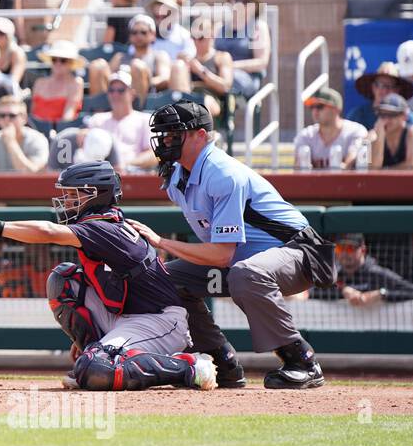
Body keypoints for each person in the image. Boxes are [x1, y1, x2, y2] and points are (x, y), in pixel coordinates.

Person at [0, 161, 214, 391]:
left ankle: (188, 367)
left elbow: (47, 232)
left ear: (97, 194)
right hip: (127, 317)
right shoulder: (104, 221)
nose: (66, 200)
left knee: (96, 371)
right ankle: (98, 353)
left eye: (74, 194)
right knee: (65, 280)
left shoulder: (105, 227)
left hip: (159, 321)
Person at [137, 101, 334, 390]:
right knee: (164, 279)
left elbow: (220, 253)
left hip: (300, 253)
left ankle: (302, 360)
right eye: (164, 135)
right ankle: (220, 361)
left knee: (246, 273)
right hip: (243, 262)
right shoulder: (176, 176)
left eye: (174, 134)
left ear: (200, 136)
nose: (166, 142)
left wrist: (161, 242)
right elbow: (220, 251)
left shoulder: (223, 173)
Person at [311, 234, 413, 306]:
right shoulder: (334, 275)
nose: (344, 254)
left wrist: (382, 294)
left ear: (363, 250)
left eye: (350, 248)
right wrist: (343, 291)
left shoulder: (376, 273)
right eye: (339, 248)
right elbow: (312, 294)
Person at [292, 87, 369, 170]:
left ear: (336, 109)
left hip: (347, 182)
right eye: (312, 107)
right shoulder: (306, 135)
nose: (315, 111)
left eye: (319, 106)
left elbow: (354, 159)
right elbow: (298, 169)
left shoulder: (356, 131)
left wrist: (346, 165)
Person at [0, 95, 49, 172]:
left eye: (12, 115)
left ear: (24, 118)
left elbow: (31, 174)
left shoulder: (38, 140)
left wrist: (11, 142)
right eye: (2, 116)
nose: (6, 119)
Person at [370, 93, 413, 168]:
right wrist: (380, 137)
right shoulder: (373, 135)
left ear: (404, 116)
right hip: (382, 180)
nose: (386, 120)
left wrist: (385, 171)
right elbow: (374, 168)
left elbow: (412, 166)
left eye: (392, 115)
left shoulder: (412, 132)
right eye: (382, 115)